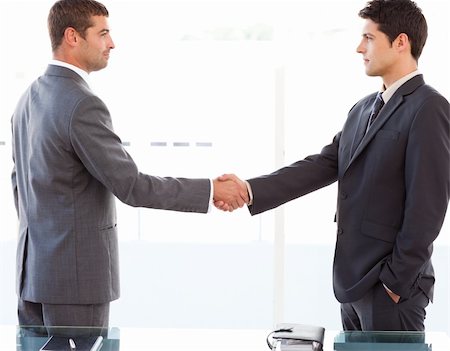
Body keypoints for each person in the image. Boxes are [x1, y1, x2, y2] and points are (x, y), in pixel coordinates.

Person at [11, 0, 247, 332]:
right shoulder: (81, 104)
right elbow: (131, 186)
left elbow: (19, 183)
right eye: (103, 33)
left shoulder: (29, 98)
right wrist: (210, 189)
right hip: (76, 284)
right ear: (72, 37)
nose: (112, 43)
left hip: (33, 276)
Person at [217, 0, 449, 331]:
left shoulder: (429, 107)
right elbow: (323, 165)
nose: (359, 48)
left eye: (369, 38)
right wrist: (250, 189)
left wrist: (395, 283)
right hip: (352, 285)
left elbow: (428, 208)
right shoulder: (362, 108)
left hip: (391, 290)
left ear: (401, 42)